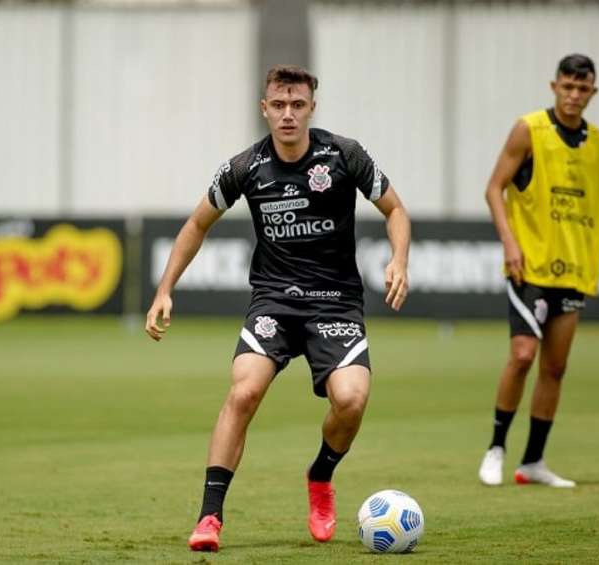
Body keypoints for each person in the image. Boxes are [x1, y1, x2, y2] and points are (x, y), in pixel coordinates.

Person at [145, 65, 411, 551]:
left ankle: (320, 475)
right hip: (273, 300)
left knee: (351, 400)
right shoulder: (246, 167)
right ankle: (209, 518)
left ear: (312, 106)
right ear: (264, 108)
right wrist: (165, 288)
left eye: (298, 105)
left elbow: (396, 210)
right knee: (244, 392)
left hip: (335, 302)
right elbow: (196, 224)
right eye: (279, 105)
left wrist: (399, 259)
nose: (288, 114)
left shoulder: (345, 155)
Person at [478, 54, 599, 488]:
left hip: (574, 270)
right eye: (567, 86)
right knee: (522, 355)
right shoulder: (529, 130)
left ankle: (533, 461)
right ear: (554, 86)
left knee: (554, 368)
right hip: (529, 266)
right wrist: (510, 242)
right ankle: (496, 447)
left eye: (582, 88)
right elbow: (494, 188)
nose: (573, 95)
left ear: (593, 92)